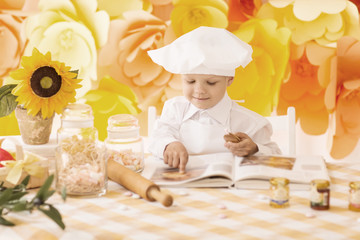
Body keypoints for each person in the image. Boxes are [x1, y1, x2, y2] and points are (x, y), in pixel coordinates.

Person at [147, 26, 281, 173]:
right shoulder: (175, 109)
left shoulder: (250, 122)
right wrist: (168, 144)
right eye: (190, 81)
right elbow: (157, 138)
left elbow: (277, 156)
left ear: (229, 80)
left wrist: (255, 149)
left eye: (211, 83)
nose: (199, 90)